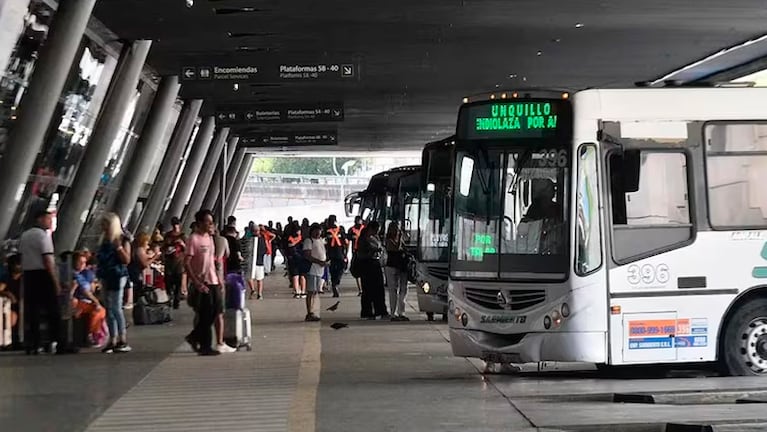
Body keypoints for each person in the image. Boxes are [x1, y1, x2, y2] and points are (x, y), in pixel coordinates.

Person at [185, 209, 223, 356]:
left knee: (216, 311)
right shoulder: (193, 239)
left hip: (213, 279)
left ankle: (194, 336)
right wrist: (195, 282)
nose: (211, 225)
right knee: (206, 313)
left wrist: (219, 278)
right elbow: (187, 263)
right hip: (202, 282)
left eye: (212, 222)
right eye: (208, 222)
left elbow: (211, 260)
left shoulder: (210, 238)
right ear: (200, 223)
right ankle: (205, 346)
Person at [95, 212, 132, 354]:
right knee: (109, 308)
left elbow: (127, 260)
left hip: (118, 276)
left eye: (105, 224)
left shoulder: (122, 239)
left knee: (116, 307)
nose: (102, 227)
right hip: (105, 276)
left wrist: (119, 248)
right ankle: (113, 338)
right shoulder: (103, 239)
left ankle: (122, 338)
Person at [71, 251, 106, 346]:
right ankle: (92, 333)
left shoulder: (82, 274)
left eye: (84, 262)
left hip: (83, 302)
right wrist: (96, 301)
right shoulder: (75, 275)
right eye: (80, 262)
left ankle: (93, 332)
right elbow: (85, 291)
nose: (83, 265)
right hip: (79, 302)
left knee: (100, 311)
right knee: (99, 310)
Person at [357, 221, 388, 319]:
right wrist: (372, 252)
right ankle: (367, 312)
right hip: (366, 264)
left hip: (376, 263)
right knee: (368, 289)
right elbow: (361, 254)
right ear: (371, 228)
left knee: (379, 288)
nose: (377, 232)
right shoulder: (363, 239)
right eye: (375, 230)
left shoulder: (376, 238)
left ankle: (380, 310)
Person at [212, 227, 235, 354]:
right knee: (219, 311)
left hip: (203, 279)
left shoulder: (201, 241)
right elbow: (227, 254)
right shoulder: (223, 240)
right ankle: (220, 342)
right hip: (218, 275)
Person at [384, 222, 410, 321]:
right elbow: (395, 248)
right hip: (391, 266)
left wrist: (404, 237)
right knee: (392, 290)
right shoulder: (388, 240)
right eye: (395, 229)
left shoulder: (401, 238)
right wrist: (399, 238)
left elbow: (405, 247)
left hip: (402, 266)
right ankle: (393, 312)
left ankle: (401, 312)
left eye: (398, 229)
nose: (397, 231)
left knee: (403, 289)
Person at [302, 223, 327, 321]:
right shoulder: (309, 241)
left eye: (319, 232)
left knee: (315, 292)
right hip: (312, 269)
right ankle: (309, 312)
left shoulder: (320, 240)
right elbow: (307, 255)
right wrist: (319, 262)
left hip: (320, 270)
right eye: (316, 232)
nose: (318, 234)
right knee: (311, 292)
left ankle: (312, 311)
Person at [163, 217, 186, 309]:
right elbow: (163, 246)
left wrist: (182, 244)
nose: (175, 226)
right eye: (174, 224)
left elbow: (187, 249)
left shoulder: (183, 236)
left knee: (178, 283)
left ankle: (176, 300)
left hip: (179, 262)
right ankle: (170, 297)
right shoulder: (168, 235)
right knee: (168, 282)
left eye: (177, 224)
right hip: (169, 262)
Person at [0, 253, 22, 348]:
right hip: (10, 307)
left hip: (21, 305)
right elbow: (0, 289)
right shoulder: (6, 278)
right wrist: (8, 294)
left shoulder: (24, 279)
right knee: (12, 317)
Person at [324, 215, 347, 297]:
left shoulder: (326, 231)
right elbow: (346, 242)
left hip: (330, 254)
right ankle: (336, 282)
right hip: (340, 253)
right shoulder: (340, 230)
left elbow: (324, 243)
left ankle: (334, 283)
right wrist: (345, 254)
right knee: (342, 268)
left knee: (332, 270)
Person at [347, 216, 365, 296]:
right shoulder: (351, 230)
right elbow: (348, 240)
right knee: (356, 271)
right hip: (355, 252)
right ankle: (360, 289)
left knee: (364, 271)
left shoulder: (365, 229)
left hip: (364, 252)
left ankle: (364, 288)